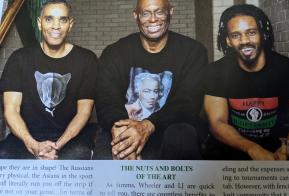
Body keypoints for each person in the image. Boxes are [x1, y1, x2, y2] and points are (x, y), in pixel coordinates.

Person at [94, 0, 208, 160]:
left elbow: (188, 103)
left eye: (159, 12)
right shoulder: (115, 52)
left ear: (170, 12)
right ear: (136, 16)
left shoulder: (193, 51)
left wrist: (148, 125)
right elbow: (106, 97)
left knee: (182, 136)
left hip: (170, 128)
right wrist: (122, 132)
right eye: (145, 13)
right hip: (123, 127)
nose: (153, 19)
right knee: (105, 164)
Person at [203, 4, 289, 160]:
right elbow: (217, 124)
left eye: (251, 33)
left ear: (263, 34)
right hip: (234, 150)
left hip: (278, 149)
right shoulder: (215, 72)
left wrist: (288, 149)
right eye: (236, 35)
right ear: (228, 41)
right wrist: (252, 148)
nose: (245, 41)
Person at [0, 0, 97, 159]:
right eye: (49, 19)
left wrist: (58, 146)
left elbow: (84, 112)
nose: (56, 26)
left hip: (70, 138)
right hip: (26, 136)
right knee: (4, 155)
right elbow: (11, 110)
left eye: (63, 20)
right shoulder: (19, 59)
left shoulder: (86, 60)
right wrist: (33, 144)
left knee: (79, 155)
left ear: (70, 24)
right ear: (39, 23)